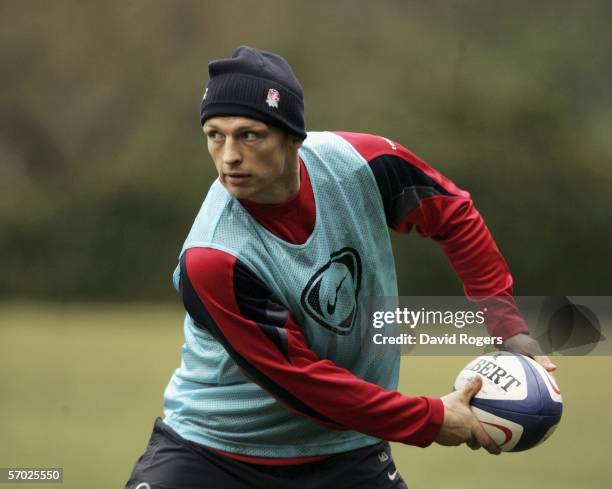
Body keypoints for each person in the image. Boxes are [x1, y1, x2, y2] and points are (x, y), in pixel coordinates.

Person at [124, 46, 556, 489]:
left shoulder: (362, 166)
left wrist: (507, 325)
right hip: (212, 455)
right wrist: (432, 418)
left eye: (249, 135)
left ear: (293, 136)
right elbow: (303, 382)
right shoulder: (213, 257)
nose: (229, 155)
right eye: (215, 135)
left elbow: (452, 214)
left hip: (346, 454)